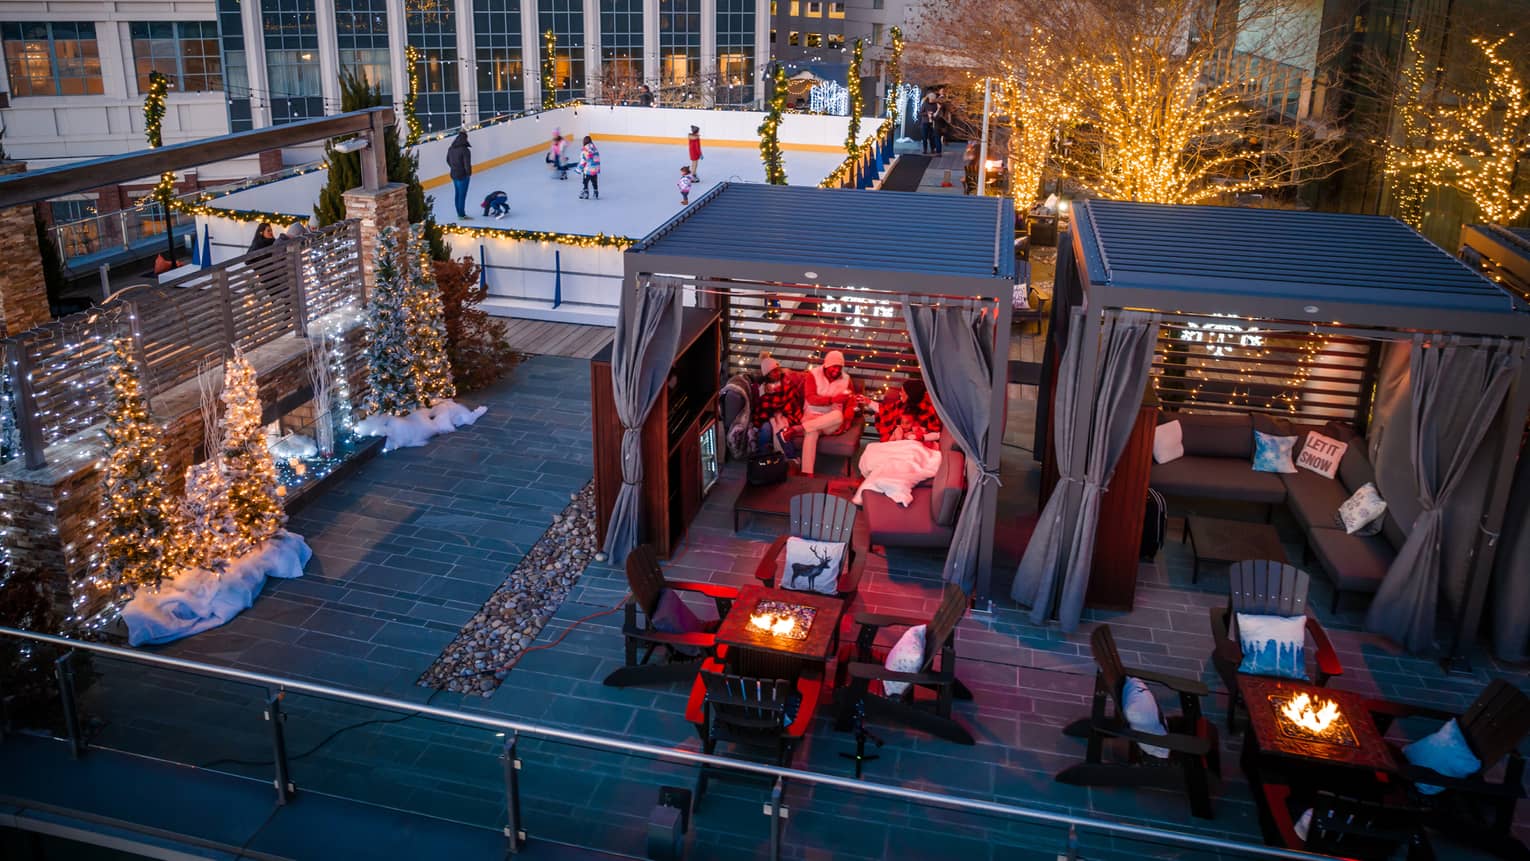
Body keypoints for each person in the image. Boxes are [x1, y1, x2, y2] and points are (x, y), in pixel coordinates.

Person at [799, 350, 852, 475]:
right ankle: (807, 473)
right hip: (812, 417)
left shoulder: (846, 379)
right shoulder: (813, 375)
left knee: (838, 416)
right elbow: (810, 398)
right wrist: (832, 400)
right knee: (811, 432)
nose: (837, 371)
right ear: (826, 365)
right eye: (834, 367)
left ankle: (799, 428)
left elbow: (851, 403)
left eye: (840, 368)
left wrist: (847, 421)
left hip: (831, 420)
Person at [752, 353, 801, 458]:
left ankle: (788, 458)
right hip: (770, 417)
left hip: (785, 415)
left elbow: (793, 400)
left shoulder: (787, 382)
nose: (778, 373)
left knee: (783, 430)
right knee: (766, 429)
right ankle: (763, 457)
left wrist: (781, 408)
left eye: (778, 369)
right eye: (774, 371)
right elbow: (762, 407)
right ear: (768, 374)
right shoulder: (763, 388)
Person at [446, 131, 473, 220]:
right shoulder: (465, 150)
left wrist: (453, 167)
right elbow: (467, 165)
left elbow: (448, 160)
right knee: (462, 195)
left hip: (454, 174)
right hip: (463, 176)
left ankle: (459, 213)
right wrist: (468, 173)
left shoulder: (451, 148)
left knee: (457, 194)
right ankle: (461, 214)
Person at [578, 135, 601, 200]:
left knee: (585, 181)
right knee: (594, 181)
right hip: (595, 169)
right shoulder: (594, 148)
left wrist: (579, 169)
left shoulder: (585, 150)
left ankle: (586, 192)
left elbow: (583, 161)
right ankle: (595, 192)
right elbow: (597, 158)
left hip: (588, 170)